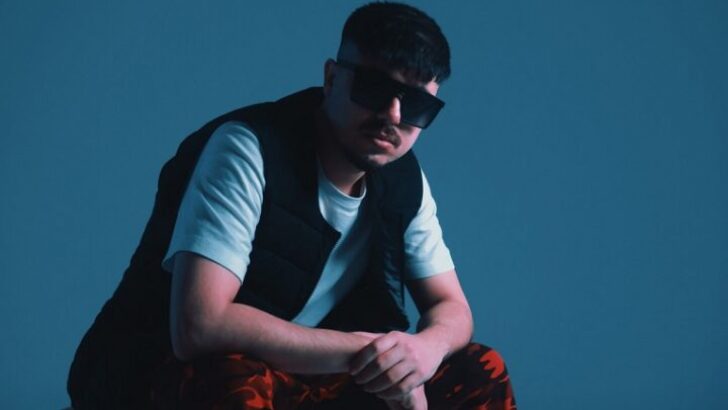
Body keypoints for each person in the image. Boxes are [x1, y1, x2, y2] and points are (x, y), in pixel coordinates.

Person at [68, 2, 516, 409]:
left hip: (306, 379)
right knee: (233, 377)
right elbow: (199, 326)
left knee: (479, 368)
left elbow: (453, 309)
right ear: (332, 78)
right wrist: (374, 354)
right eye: (374, 89)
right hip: (154, 376)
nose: (394, 116)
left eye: (416, 104)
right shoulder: (248, 150)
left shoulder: (403, 180)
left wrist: (421, 353)